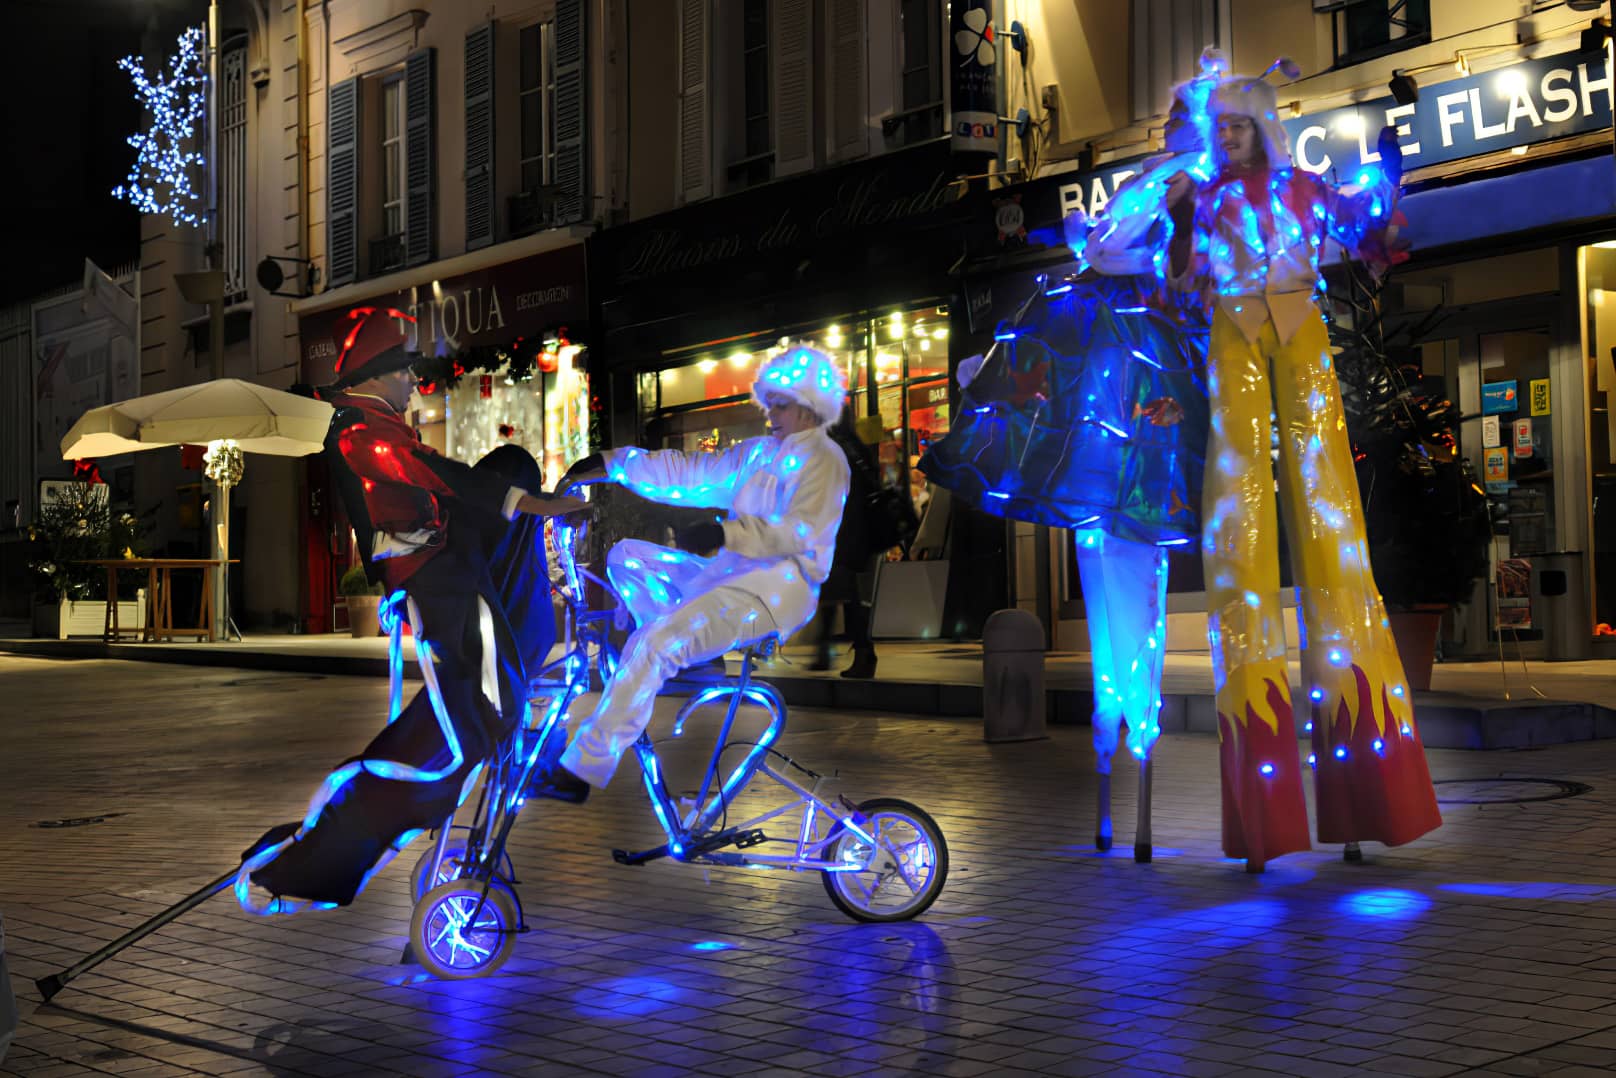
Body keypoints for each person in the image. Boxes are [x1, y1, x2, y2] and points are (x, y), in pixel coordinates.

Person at [920, 53, 1220, 853]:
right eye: (1170, 118)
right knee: (1115, 561)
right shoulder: (1154, 184)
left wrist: (1126, 237)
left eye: (1182, 117)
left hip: (1145, 383)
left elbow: (1147, 260)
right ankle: (1120, 731)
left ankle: (1129, 732)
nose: (1170, 130)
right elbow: (1107, 250)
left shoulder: (1196, 189)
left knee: (1130, 561)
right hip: (1116, 387)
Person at [1167, 61, 1440, 870]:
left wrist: (1389, 174)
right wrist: (1181, 225)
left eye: (1239, 126)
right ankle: (1266, 819)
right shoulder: (1206, 198)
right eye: (1219, 129)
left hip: (1299, 338)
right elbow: (1180, 289)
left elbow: (1373, 238)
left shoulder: (1302, 190)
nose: (1228, 138)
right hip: (1233, 341)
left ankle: (1361, 795)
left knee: (1332, 532)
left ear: (1263, 127)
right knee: (1241, 543)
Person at [239, 308, 586, 910]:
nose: (413, 384)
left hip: (447, 573)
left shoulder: (372, 422)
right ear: (377, 375)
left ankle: (528, 755)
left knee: (501, 665)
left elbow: (438, 480)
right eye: (405, 374)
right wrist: (532, 503)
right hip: (437, 581)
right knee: (486, 698)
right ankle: (519, 762)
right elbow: (434, 473)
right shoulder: (359, 431)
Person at [526, 345, 851, 803]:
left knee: (655, 646)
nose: (771, 414)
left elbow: (801, 532)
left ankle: (581, 769)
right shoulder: (758, 455)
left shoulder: (826, 461)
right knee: (627, 557)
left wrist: (727, 535)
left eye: (781, 405)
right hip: (727, 576)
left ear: (809, 407)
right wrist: (613, 464)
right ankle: (675, 655)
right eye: (770, 403)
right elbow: (692, 472)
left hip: (776, 592)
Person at [811, 413, 884, 679]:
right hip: (856, 532)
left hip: (842, 532)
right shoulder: (855, 445)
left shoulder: (832, 449)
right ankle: (828, 650)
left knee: (845, 593)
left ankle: (863, 652)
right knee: (840, 592)